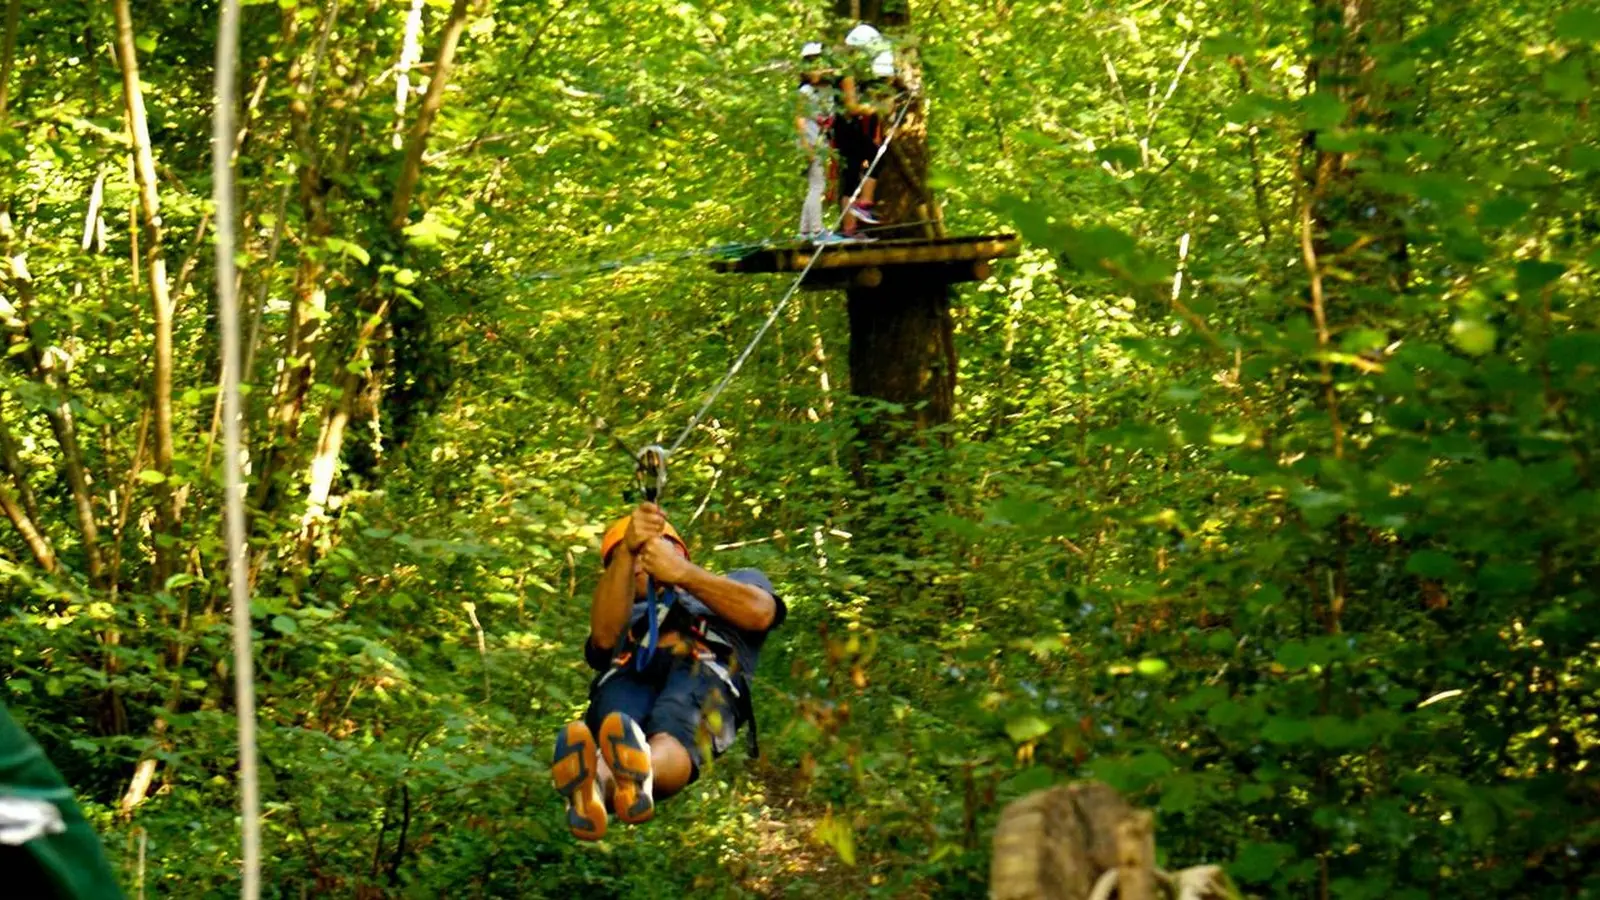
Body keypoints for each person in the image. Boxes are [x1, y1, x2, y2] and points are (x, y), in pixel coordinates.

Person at [551, 502, 786, 841]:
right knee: (618, 722)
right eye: (622, 560)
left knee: (677, 722)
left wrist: (681, 574)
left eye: (640, 553)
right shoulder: (620, 611)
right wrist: (627, 553)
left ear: (677, 551)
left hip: (704, 669)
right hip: (629, 671)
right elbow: (602, 640)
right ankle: (594, 790)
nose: (634, 566)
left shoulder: (734, 583)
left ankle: (641, 773)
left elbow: (761, 613)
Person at [834, 23, 896, 237]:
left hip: (850, 127)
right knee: (875, 158)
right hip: (846, 128)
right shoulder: (847, 74)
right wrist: (874, 108)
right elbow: (851, 107)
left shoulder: (857, 72)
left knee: (852, 173)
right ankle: (864, 203)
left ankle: (850, 228)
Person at [795, 41, 839, 243]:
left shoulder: (826, 90)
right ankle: (816, 229)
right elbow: (799, 119)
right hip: (811, 143)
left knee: (815, 184)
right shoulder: (804, 92)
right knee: (817, 186)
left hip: (820, 143)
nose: (816, 71)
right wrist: (806, 146)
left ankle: (804, 231)